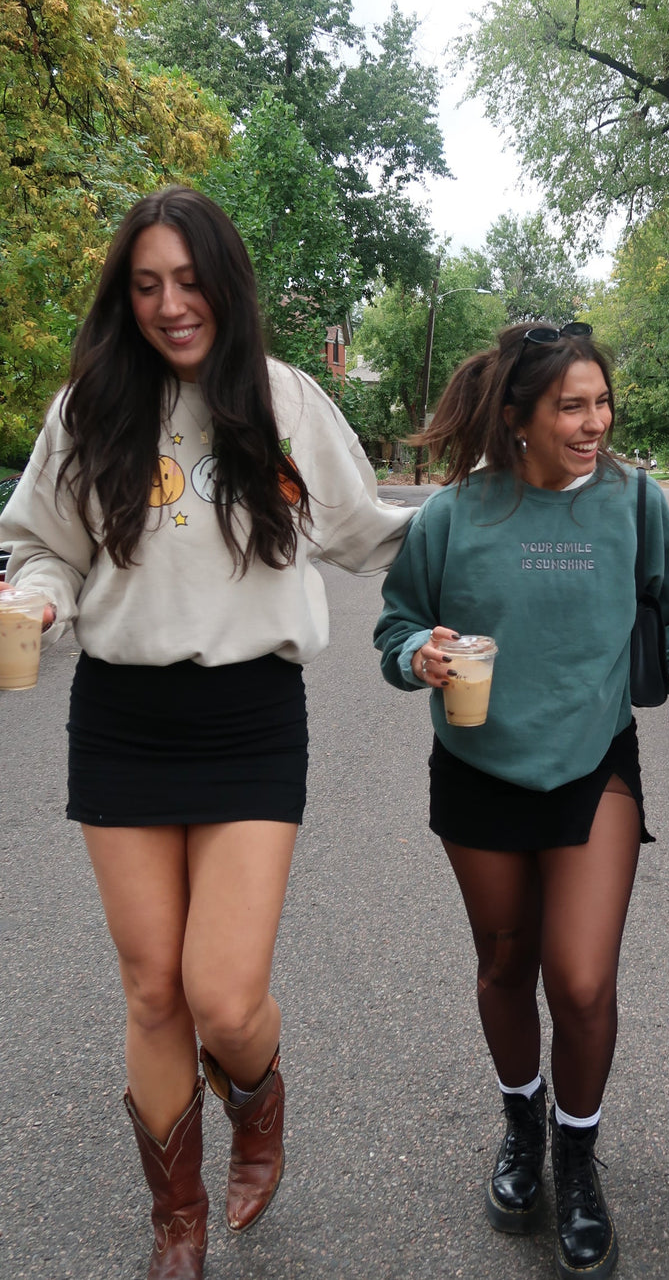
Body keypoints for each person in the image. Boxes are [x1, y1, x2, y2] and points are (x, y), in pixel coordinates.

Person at [0, 187, 416, 1280]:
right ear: (123, 297)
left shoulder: (282, 401)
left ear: (225, 284)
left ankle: (259, 1095)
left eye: (188, 281)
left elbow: (369, 534)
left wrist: (488, 547)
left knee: (223, 996)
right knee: (151, 989)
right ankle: (174, 1221)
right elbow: (44, 544)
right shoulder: (90, 405)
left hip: (248, 718)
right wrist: (39, 601)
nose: (170, 305)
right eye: (146, 285)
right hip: (125, 720)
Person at [374, 321, 669, 1280]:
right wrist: (419, 658)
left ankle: (576, 1151)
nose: (595, 421)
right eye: (573, 405)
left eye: (603, 402)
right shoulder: (452, 517)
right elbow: (397, 625)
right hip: (478, 765)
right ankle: (522, 1122)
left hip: (593, 763)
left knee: (582, 979)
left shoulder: (635, 503)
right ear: (517, 416)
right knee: (505, 959)